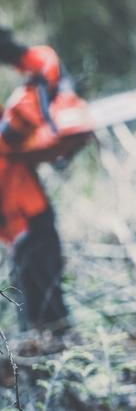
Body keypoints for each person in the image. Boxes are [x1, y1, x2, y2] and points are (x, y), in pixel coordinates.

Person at [0, 27, 70, 333]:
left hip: (24, 224)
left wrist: (16, 54)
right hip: (25, 225)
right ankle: (50, 369)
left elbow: (45, 68)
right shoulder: (12, 125)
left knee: (39, 313)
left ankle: (48, 367)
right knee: (44, 316)